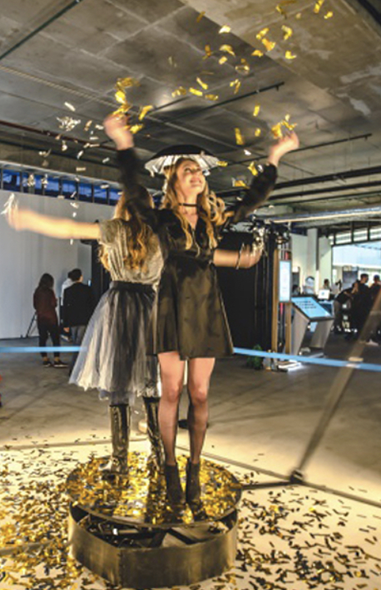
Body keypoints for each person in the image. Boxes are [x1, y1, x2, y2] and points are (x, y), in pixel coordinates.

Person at [105, 113, 299, 507]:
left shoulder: (214, 219)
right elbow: (133, 189)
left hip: (207, 308)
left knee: (200, 392)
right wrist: (124, 143)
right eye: (188, 171)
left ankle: (194, 468)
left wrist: (275, 158)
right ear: (174, 180)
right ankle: (170, 470)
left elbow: (252, 200)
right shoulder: (160, 219)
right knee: (171, 391)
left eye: (198, 171)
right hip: (171, 307)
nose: (197, 175)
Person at [7, 195, 165, 480]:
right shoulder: (158, 236)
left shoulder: (116, 229)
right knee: (151, 383)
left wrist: (31, 220)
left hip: (120, 307)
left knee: (119, 385)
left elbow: (70, 228)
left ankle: (120, 462)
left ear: (124, 206)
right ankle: (159, 455)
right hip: (150, 308)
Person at [62, 268, 95, 374]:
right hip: (84, 320)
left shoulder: (67, 291)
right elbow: (92, 306)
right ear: (81, 277)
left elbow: (65, 308)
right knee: (80, 344)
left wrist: (65, 324)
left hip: (72, 321)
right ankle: (76, 369)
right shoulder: (87, 290)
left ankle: (75, 369)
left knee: (76, 344)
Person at [33, 273, 68, 368]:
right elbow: (54, 304)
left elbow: (35, 305)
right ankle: (56, 360)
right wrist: (55, 301)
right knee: (55, 339)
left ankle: (45, 360)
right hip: (51, 319)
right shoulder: (50, 292)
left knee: (42, 339)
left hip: (41, 318)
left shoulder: (37, 291)